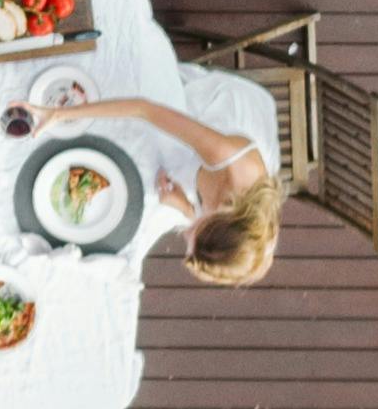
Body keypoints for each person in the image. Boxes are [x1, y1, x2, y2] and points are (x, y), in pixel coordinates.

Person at [27, 93, 281, 287]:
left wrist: (186, 208)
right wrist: (59, 115)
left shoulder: (247, 252)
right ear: (224, 210)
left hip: (197, 178)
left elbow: (203, 229)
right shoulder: (227, 157)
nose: (184, 231)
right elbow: (143, 108)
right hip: (216, 119)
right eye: (193, 229)